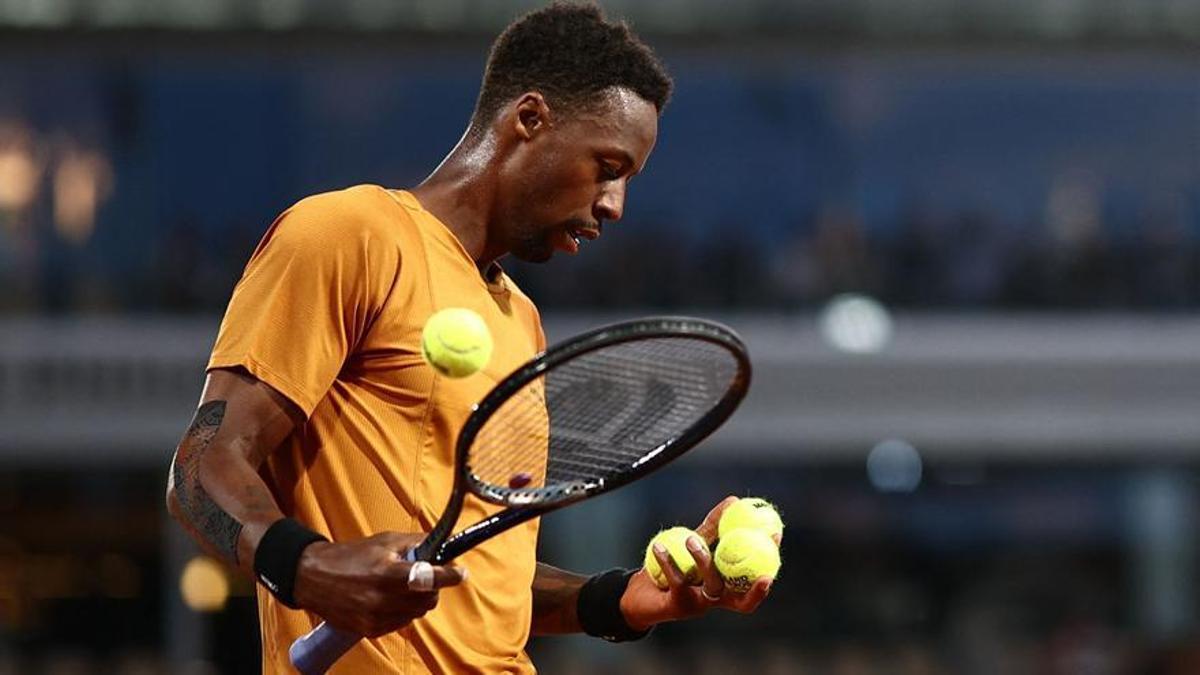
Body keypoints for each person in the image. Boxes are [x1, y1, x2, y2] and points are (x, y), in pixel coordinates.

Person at [165, 3, 774, 672]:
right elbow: (202, 466)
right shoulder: (349, 234)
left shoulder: (521, 320)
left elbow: (479, 573)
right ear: (530, 118)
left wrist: (617, 597)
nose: (614, 204)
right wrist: (306, 566)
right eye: (607, 165)